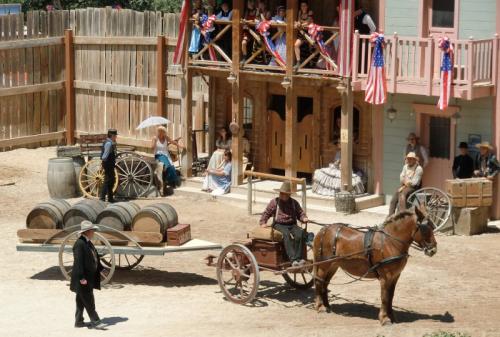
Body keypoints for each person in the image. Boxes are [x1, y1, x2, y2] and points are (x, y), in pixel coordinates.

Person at [259, 181, 309, 267]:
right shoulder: (274, 202)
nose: (282, 195)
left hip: (292, 224)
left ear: (289, 195)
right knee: (286, 235)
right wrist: (263, 222)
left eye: (284, 194)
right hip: (279, 224)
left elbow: (300, 213)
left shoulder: (294, 203)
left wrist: (304, 218)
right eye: (281, 193)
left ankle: (299, 258)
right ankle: (293, 259)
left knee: (300, 234)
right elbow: (266, 213)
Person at [70, 221, 106, 330]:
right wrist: (81, 278)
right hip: (82, 279)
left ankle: (79, 321)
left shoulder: (88, 242)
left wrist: (101, 268)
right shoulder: (79, 244)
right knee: (89, 300)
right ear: (88, 231)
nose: (94, 232)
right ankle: (96, 321)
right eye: (93, 230)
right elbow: (78, 262)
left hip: (87, 278)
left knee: (81, 300)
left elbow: (95, 257)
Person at [388, 152, 423, 216]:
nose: (409, 160)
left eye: (411, 159)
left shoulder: (419, 169)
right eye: (408, 159)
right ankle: (390, 217)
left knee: (402, 195)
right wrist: (406, 182)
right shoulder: (405, 167)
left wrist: (406, 181)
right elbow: (401, 177)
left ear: (414, 160)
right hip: (404, 186)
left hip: (414, 188)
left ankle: (402, 215)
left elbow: (414, 182)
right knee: (393, 199)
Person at [152, 126, 182, 195]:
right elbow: (152, 147)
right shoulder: (155, 138)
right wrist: (154, 142)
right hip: (158, 155)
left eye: (163, 131)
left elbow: (172, 142)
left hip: (166, 154)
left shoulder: (166, 137)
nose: (161, 133)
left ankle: (171, 181)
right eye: (160, 131)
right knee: (167, 165)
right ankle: (168, 181)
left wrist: (179, 145)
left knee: (171, 167)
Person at [293, 1, 313, 72]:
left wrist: (300, 24)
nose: (303, 7)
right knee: (296, 45)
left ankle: (310, 65)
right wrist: (297, 23)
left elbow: (308, 22)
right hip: (301, 34)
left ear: (307, 7)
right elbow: (298, 21)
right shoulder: (300, 13)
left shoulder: (310, 13)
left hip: (308, 34)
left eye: (304, 6)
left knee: (310, 49)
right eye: (302, 6)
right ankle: (298, 62)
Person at [100, 129, 117, 203]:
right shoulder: (108, 144)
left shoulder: (110, 143)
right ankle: (102, 198)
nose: (116, 137)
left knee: (111, 181)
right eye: (115, 136)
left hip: (109, 164)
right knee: (107, 181)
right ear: (112, 136)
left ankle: (110, 198)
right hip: (108, 164)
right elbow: (104, 157)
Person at [241, 0, 258, 64]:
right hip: (247, 31)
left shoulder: (257, 11)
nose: (250, 3)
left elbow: (256, 20)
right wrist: (243, 21)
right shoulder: (246, 11)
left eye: (251, 2)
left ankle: (254, 61)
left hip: (255, 31)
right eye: (249, 2)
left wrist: (247, 21)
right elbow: (243, 19)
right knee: (243, 43)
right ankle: (244, 58)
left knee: (256, 46)